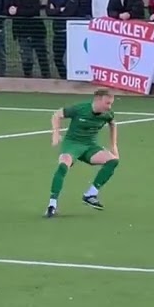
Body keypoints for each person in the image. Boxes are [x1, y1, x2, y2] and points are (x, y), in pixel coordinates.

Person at [46, 88, 121, 218]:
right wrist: (56, 134)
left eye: (111, 103)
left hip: (90, 147)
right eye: (107, 103)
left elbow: (113, 124)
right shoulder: (80, 109)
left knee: (113, 161)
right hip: (72, 145)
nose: (109, 107)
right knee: (63, 166)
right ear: (97, 100)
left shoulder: (108, 114)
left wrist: (113, 146)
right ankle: (52, 204)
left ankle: (90, 194)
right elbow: (57, 114)